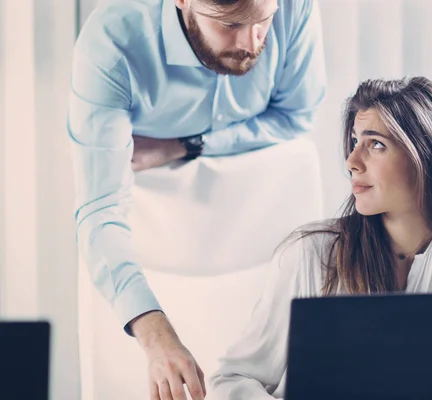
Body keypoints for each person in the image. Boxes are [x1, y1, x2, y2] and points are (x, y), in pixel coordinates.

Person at [67, 0, 326, 398]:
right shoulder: (112, 42)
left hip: (264, 233)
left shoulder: (295, 5)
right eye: (229, 24)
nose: (251, 42)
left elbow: (295, 116)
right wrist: (156, 336)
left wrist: (187, 145)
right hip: (148, 249)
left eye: (264, 21)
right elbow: (100, 209)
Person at [209, 76, 432, 399]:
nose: (352, 162)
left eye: (375, 144)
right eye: (355, 142)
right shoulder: (310, 253)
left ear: (427, 156)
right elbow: (233, 378)